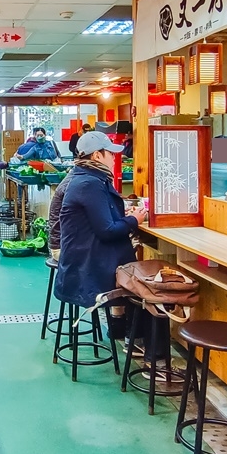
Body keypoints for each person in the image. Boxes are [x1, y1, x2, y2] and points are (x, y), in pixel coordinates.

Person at [55, 132, 147, 325]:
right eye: (110, 153)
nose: (114, 158)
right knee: (145, 283)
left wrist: (123, 213)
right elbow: (107, 231)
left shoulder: (86, 179)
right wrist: (134, 220)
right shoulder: (90, 184)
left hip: (82, 258)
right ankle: (135, 337)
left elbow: (97, 218)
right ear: (97, 156)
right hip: (88, 266)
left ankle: (122, 328)